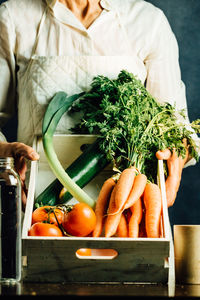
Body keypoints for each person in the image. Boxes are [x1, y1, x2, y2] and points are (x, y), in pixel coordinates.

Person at [0, 0, 199, 207]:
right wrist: (4, 154)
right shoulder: (13, 17)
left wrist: (175, 159)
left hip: (127, 201)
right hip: (36, 207)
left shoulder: (148, 21)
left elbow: (175, 126)